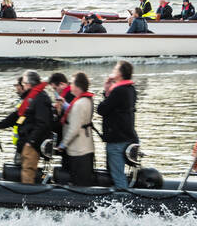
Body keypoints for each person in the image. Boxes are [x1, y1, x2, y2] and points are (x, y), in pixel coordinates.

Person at [1, 71, 53, 184]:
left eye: (24, 83)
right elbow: (15, 117)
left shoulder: (40, 98)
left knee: (28, 174)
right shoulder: (31, 98)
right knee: (24, 173)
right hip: (25, 143)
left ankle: (26, 199)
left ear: (29, 84)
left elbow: (43, 123)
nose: (22, 86)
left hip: (31, 146)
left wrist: (31, 142)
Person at [95, 60, 138, 190]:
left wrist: (106, 91)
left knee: (118, 176)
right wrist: (109, 92)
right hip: (128, 137)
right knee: (119, 174)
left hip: (117, 141)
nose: (112, 71)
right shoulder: (131, 90)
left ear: (120, 73)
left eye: (115, 69)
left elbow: (101, 109)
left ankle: (123, 206)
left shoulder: (119, 91)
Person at [59, 72, 95, 187]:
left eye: (72, 83)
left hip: (78, 151)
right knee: (85, 181)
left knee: (79, 183)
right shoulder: (87, 100)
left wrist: (62, 145)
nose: (70, 85)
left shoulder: (79, 104)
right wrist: (64, 105)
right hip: (87, 147)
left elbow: (73, 129)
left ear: (78, 86)